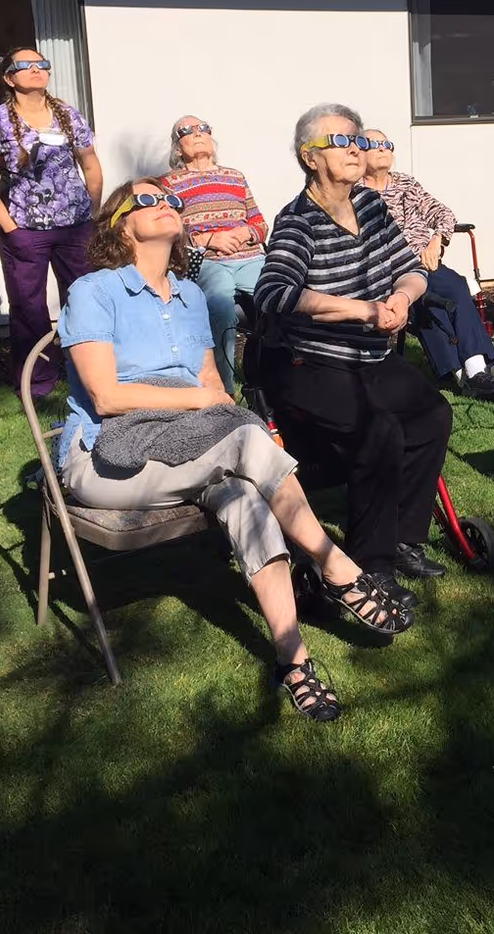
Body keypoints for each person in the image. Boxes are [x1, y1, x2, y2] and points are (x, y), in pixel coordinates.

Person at [57, 176, 411, 724]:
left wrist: (214, 402)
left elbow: (212, 386)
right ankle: (336, 566)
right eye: (148, 200)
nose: (167, 204)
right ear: (120, 224)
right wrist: (208, 402)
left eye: (172, 199)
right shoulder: (94, 291)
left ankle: (293, 659)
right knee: (245, 436)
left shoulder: (192, 294)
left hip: (184, 445)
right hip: (107, 459)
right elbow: (106, 397)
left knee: (244, 493)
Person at [254, 103, 454, 592]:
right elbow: (274, 293)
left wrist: (402, 297)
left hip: (369, 356)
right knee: (378, 431)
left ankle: (405, 539)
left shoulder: (369, 205)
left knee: (432, 415)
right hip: (309, 364)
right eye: (340, 141)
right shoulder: (298, 221)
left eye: (358, 140)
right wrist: (361, 310)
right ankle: (371, 567)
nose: (354, 149)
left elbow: (411, 266)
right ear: (310, 158)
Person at [0, 47, 102, 396]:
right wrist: (11, 227)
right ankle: (38, 383)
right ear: (9, 77)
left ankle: (88, 374)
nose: (36, 69)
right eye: (25, 65)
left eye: (42, 64)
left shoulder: (69, 115)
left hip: (75, 227)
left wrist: (92, 213)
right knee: (29, 308)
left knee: (85, 301)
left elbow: (91, 166)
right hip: (24, 230)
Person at [361, 129, 494, 398]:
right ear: (359, 152)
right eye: (375, 144)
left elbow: (443, 212)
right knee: (428, 302)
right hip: (387, 269)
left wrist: (438, 239)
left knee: (454, 286)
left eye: (387, 144)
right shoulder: (356, 193)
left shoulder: (407, 184)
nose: (383, 148)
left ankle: (473, 373)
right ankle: (469, 375)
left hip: (425, 262)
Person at [160, 116, 268, 394]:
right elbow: (170, 233)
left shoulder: (235, 176)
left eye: (203, 128)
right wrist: (209, 239)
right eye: (187, 131)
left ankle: (274, 380)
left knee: (279, 301)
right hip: (209, 260)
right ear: (177, 147)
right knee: (220, 309)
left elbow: (260, 224)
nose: (197, 133)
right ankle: (224, 389)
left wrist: (246, 234)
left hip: (250, 257)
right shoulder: (169, 184)